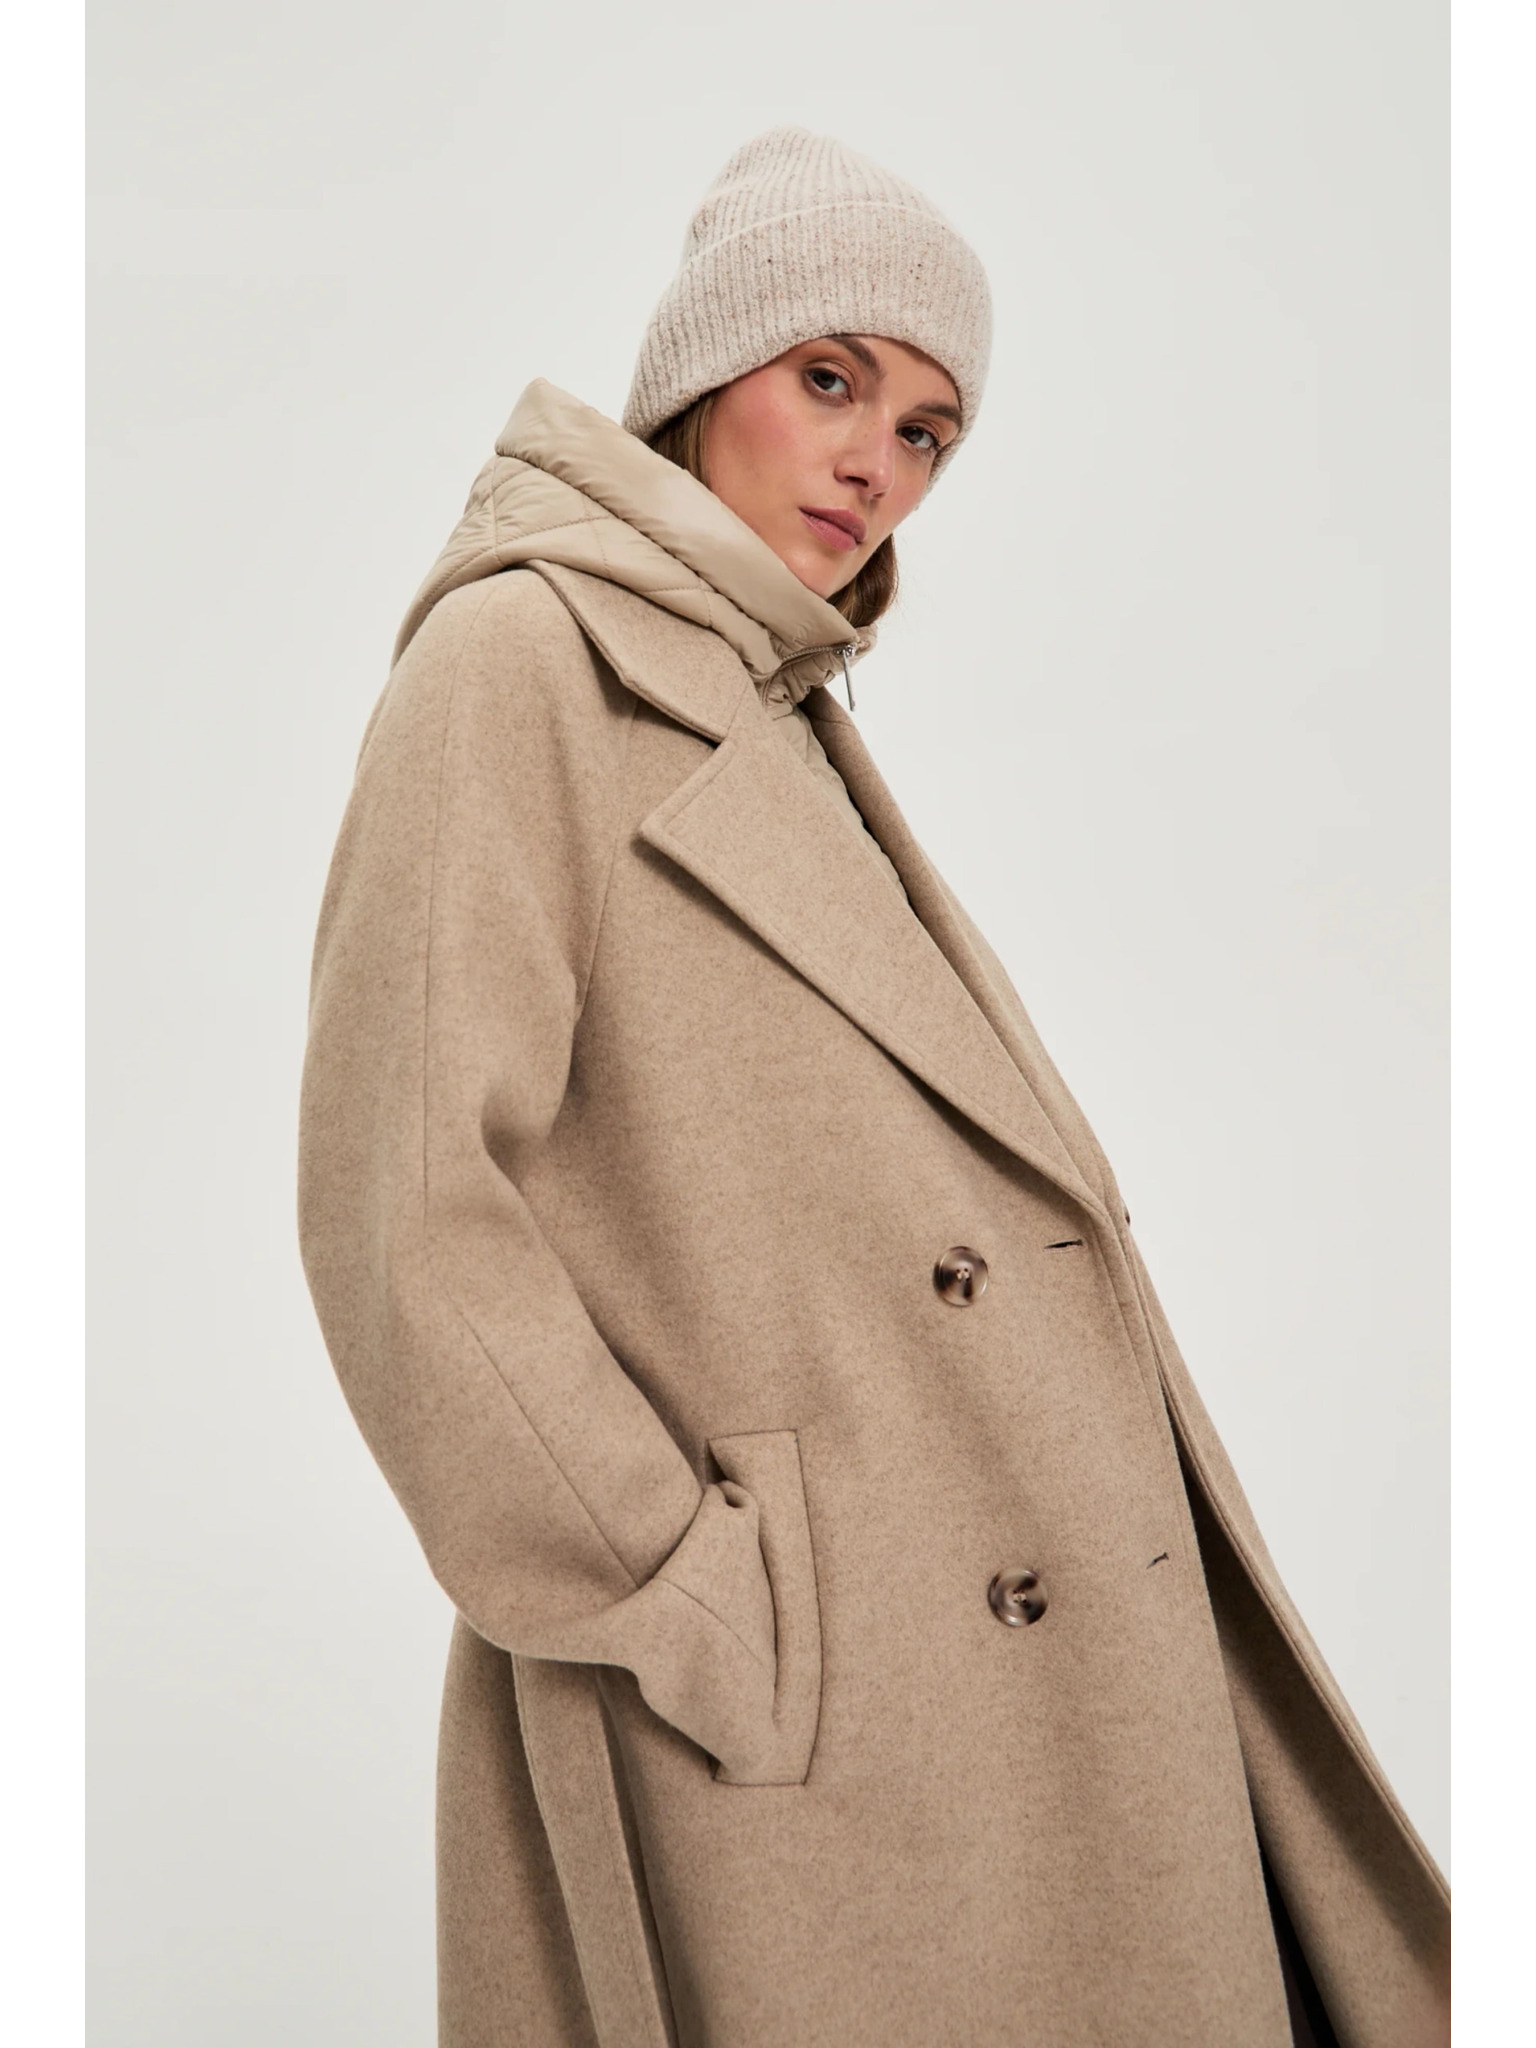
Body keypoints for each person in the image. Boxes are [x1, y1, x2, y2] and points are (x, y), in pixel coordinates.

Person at [298, 127, 1448, 2048]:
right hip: (810, 1702)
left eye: (926, 431)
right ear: (703, 367)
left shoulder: (766, 692)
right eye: (829, 379)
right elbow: (406, 1214)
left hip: (1002, 1661)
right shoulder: (519, 661)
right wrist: (687, 1591)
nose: (874, 466)